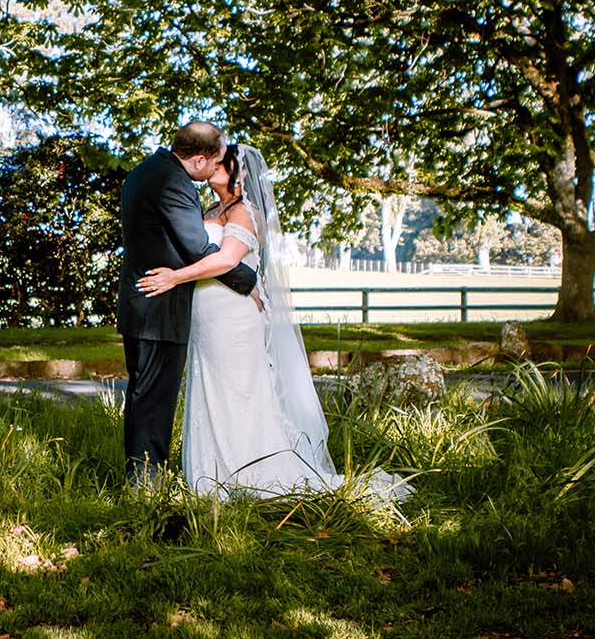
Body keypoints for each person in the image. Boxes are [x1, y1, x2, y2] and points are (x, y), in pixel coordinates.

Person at [138, 143, 410, 501]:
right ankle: (212, 473)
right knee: (210, 390)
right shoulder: (209, 209)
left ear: (242, 172)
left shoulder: (245, 213)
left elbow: (225, 261)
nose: (216, 165)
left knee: (240, 390)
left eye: (223, 161)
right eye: (214, 160)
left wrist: (174, 277)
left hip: (234, 314)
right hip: (206, 315)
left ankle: (249, 470)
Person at [117, 122, 258, 485]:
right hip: (159, 306)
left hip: (141, 303)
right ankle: (145, 483)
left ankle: (139, 475)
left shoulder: (143, 171)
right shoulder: (174, 183)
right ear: (199, 159)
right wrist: (249, 281)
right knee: (154, 399)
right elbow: (197, 248)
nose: (214, 170)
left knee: (142, 393)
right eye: (214, 162)